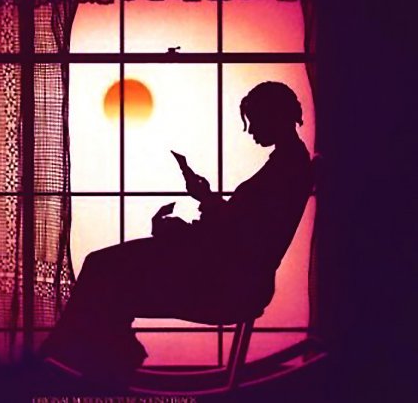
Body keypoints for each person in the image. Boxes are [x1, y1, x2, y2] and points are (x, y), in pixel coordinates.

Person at [39, 81, 314, 382]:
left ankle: (89, 359)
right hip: (226, 272)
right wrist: (203, 200)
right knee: (104, 269)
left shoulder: (286, 170)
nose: (250, 130)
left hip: (227, 283)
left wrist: (183, 232)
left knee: (104, 271)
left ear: (275, 115)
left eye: (255, 120)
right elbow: (240, 229)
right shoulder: (288, 165)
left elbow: (242, 240)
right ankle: (100, 356)